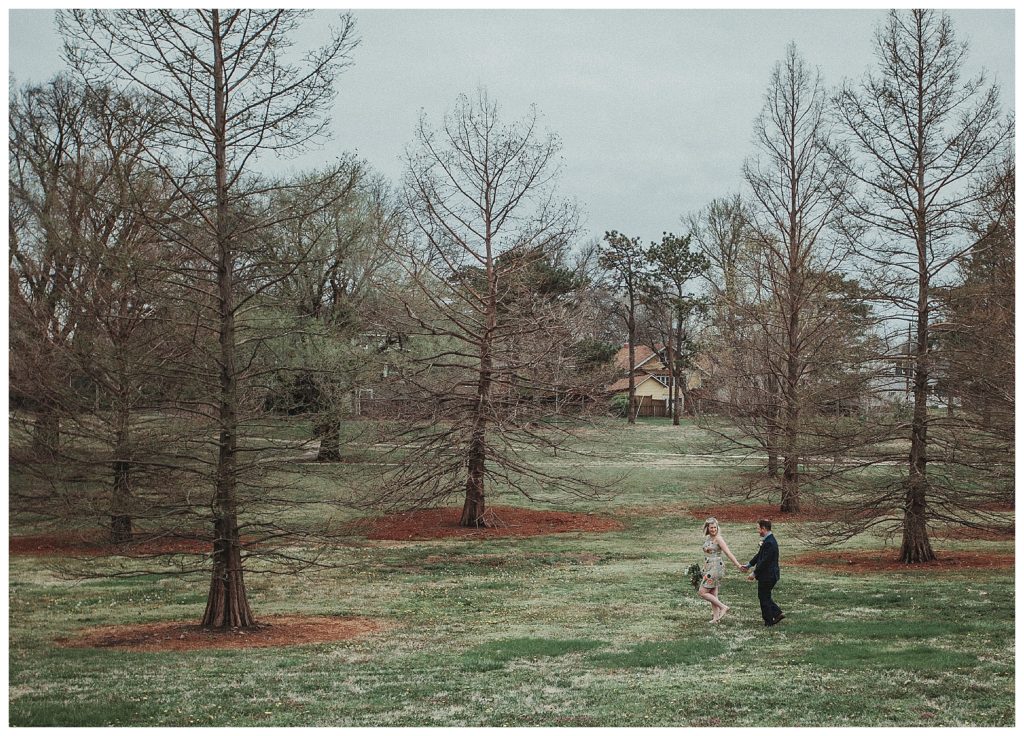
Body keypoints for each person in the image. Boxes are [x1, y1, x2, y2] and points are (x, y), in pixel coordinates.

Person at [697, 517, 744, 623]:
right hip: (709, 566)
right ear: (707, 528)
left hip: (716, 567)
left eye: (715, 527)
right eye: (711, 527)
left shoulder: (719, 539)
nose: (713, 529)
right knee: (713, 593)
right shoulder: (708, 538)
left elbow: (728, 553)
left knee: (702, 592)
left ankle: (723, 607)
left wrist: (738, 565)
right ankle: (716, 618)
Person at [741, 518, 784, 627]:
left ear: (763, 528)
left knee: (763, 597)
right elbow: (759, 555)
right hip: (769, 575)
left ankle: (769, 621)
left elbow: (765, 562)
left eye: (758, 528)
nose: (758, 531)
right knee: (765, 596)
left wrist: (754, 573)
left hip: (768, 575)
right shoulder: (768, 540)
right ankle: (777, 613)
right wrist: (749, 565)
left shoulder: (770, 543)